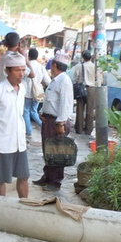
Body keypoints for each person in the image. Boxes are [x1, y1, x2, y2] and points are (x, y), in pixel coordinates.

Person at [0, 52, 30, 198]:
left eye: (23, 70)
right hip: (2, 143)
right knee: (1, 179)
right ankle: (1, 207)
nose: (21, 74)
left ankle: (25, 206)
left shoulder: (22, 89)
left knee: (24, 176)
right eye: (17, 70)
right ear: (7, 71)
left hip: (19, 141)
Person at [33, 52, 74, 191]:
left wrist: (60, 123)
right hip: (49, 120)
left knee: (56, 153)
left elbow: (65, 104)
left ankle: (55, 182)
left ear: (55, 65)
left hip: (57, 122)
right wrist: (42, 113)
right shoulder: (56, 80)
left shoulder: (64, 81)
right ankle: (47, 177)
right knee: (48, 150)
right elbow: (50, 100)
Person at [23, 47, 49, 142]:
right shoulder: (41, 67)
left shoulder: (27, 66)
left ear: (29, 56)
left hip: (27, 92)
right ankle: (44, 127)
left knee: (26, 111)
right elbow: (47, 80)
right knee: (34, 111)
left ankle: (28, 132)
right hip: (38, 92)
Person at [72, 50, 99, 135]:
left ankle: (79, 129)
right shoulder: (95, 66)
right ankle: (88, 130)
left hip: (81, 89)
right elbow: (97, 79)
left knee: (80, 109)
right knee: (90, 110)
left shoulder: (80, 66)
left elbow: (75, 78)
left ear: (83, 57)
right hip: (91, 89)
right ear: (90, 57)